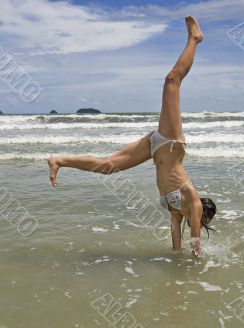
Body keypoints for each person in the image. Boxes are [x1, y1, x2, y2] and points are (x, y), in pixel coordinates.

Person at [48, 16, 216, 257]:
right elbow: (196, 247)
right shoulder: (194, 202)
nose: (198, 220)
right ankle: (194, 39)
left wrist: (180, 277)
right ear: (203, 215)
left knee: (108, 166)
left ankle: (60, 161)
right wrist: (198, 261)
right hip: (169, 144)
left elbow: (177, 244)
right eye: (201, 219)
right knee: (171, 81)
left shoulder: (177, 212)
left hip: (153, 148)